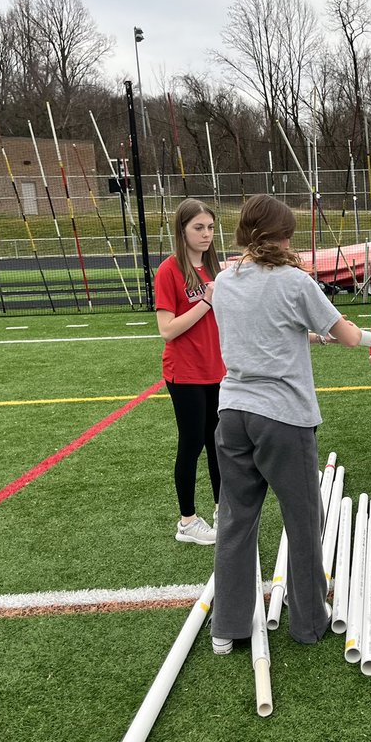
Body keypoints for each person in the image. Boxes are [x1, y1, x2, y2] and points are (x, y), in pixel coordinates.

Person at [208, 194, 363, 652]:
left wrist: (304, 331)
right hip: (283, 416)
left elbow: (256, 328)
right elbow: (350, 337)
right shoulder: (296, 281)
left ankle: (227, 627)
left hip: (233, 410)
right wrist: (336, 326)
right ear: (282, 236)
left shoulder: (224, 280)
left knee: (236, 520)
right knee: (302, 519)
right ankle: (309, 622)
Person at [155, 198, 226, 546]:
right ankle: (186, 522)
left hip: (216, 369)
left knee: (218, 443)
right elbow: (167, 329)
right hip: (184, 373)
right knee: (192, 443)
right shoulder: (169, 270)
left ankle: (221, 509)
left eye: (210, 227)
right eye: (199, 227)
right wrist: (207, 301)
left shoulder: (213, 269)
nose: (206, 234)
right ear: (182, 229)